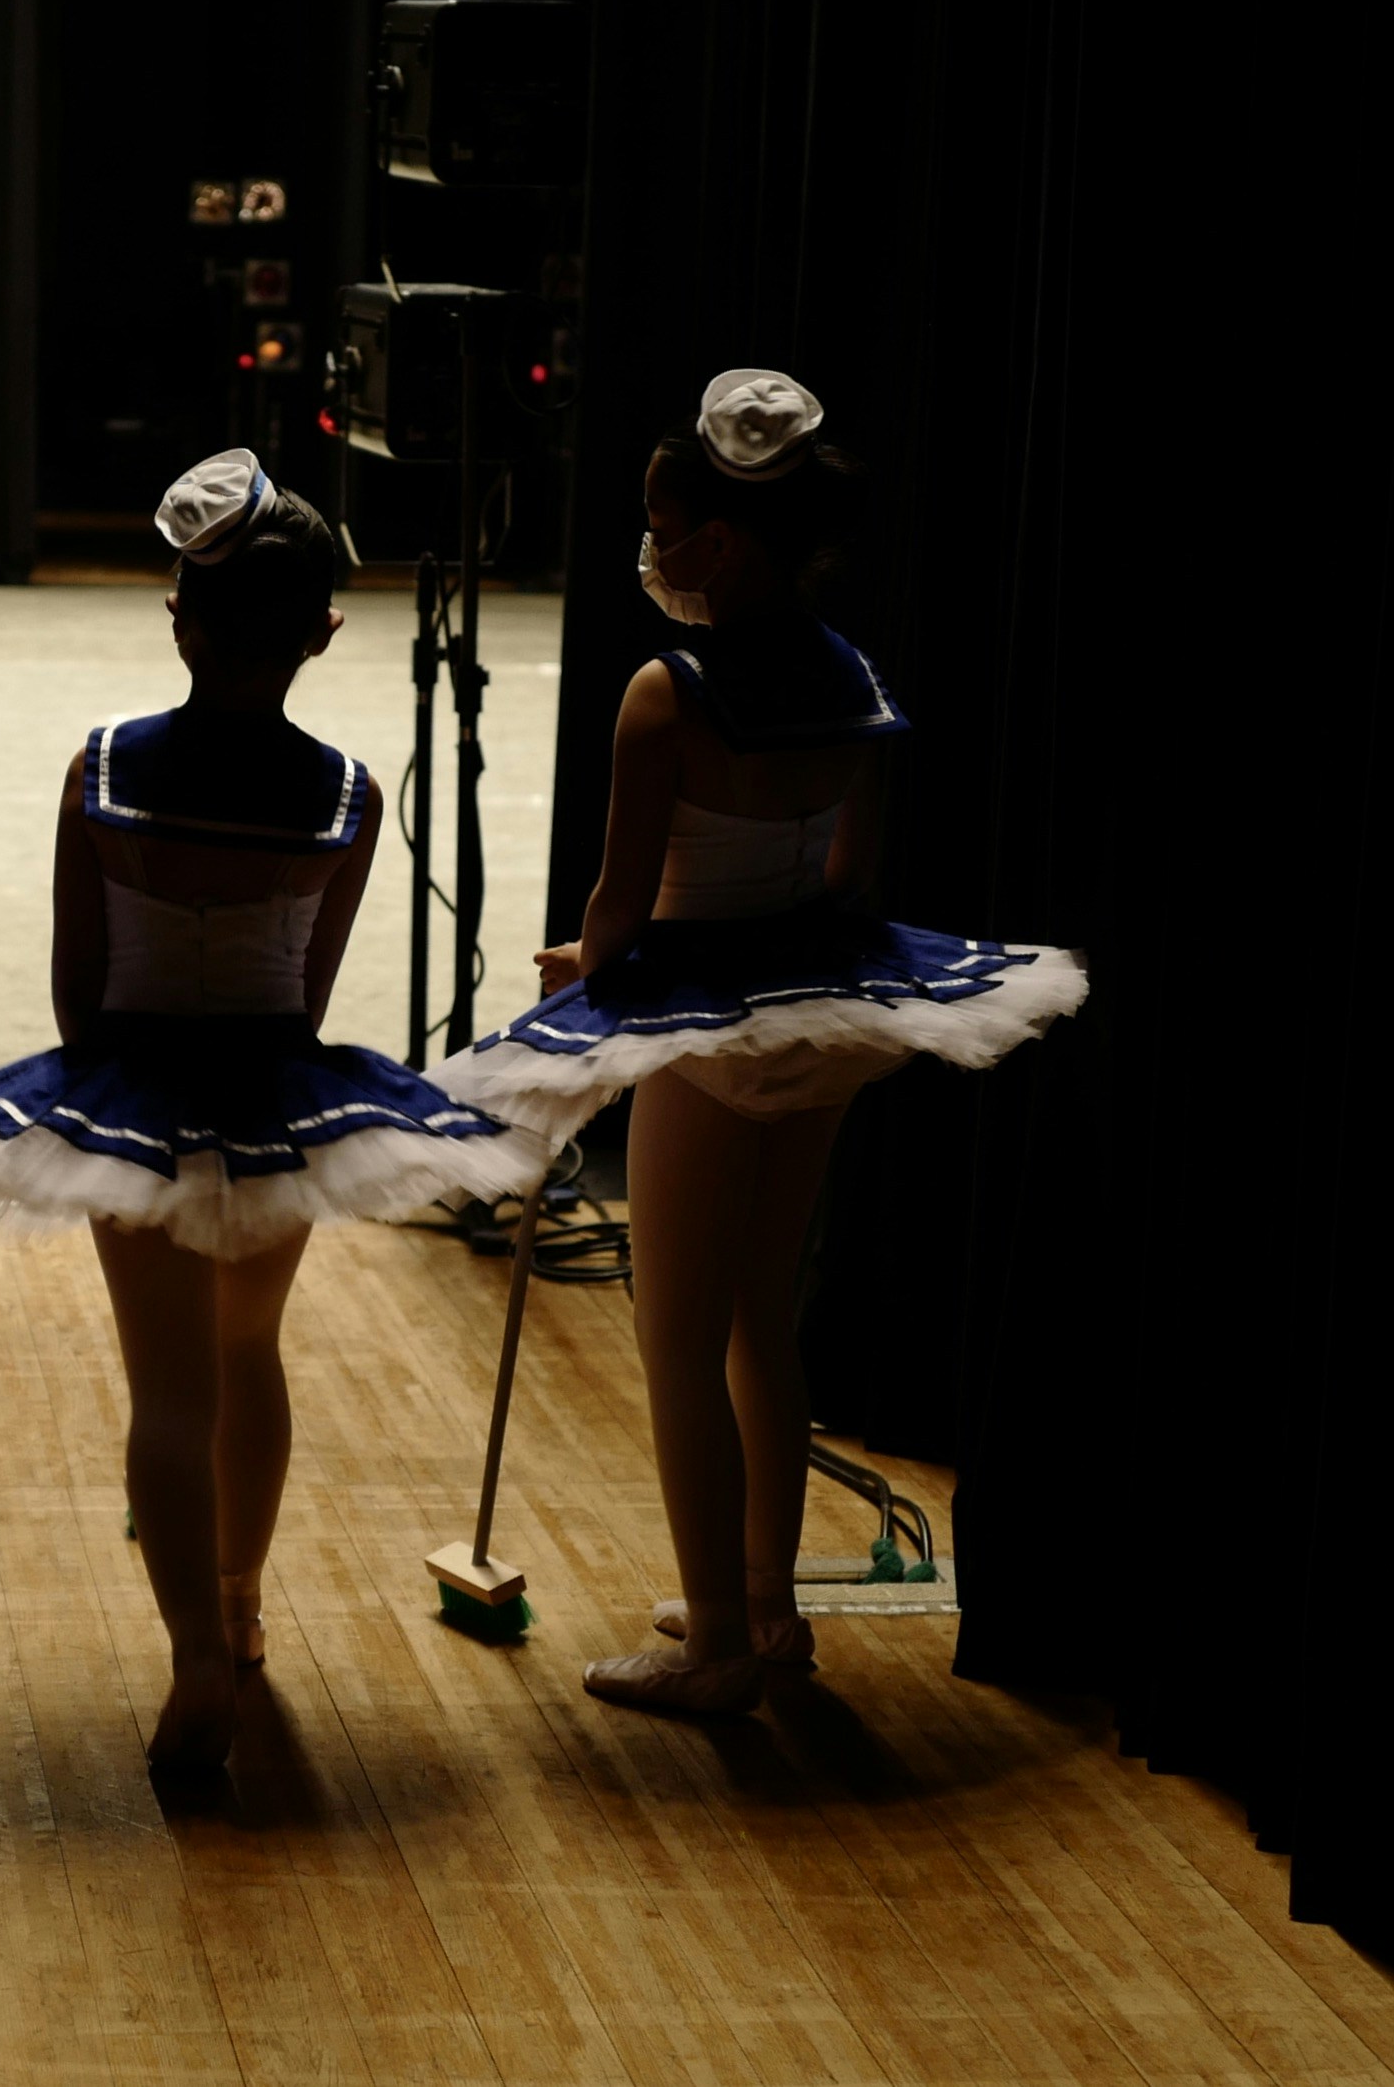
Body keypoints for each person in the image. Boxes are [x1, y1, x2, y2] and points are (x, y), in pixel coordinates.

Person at [0, 452, 545, 1771]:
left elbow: (77, 988)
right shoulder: (347, 793)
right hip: (274, 1089)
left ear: (177, 617)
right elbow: (309, 984)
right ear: (324, 634)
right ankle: (237, 1610)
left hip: (131, 1089)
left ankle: (189, 1664)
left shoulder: (104, 766)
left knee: (166, 1391)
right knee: (251, 1353)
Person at [428, 371, 1087, 1714]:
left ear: (716, 542)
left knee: (672, 1327)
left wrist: (582, 963)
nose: (651, 548)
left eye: (661, 524)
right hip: (821, 1007)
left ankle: (713, 1641)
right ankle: (767, 1605)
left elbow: (618, 915)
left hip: (700, 1022)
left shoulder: (664, 695)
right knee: (760, 1317)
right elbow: (850, 875)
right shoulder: (850, 677)